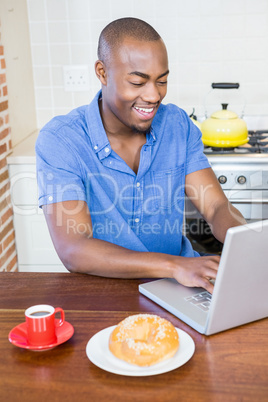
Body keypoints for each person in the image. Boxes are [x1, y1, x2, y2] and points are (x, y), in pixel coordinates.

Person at [35, 17, 246, 293]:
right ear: (102, 72)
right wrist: (173, 266)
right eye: (138, 82)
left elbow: (216, 207)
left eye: (162, 81)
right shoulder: (61, 140)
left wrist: (243, 240)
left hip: (181, 287)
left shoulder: (178, 126)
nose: (154, 95)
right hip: (103, 293)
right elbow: (74, 248)